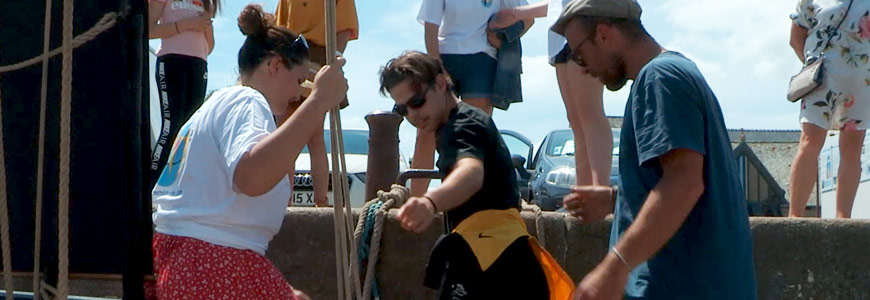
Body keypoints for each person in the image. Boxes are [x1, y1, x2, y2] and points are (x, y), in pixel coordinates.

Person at [551, 0, 758, 299]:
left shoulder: (659, 79)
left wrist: (614, 269)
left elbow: (684, 183)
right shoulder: (675, 72)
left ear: (605, 35)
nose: (583, 68)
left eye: (579, 54)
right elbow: (685, 183)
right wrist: (617, 200)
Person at [150, 4, 347, 298]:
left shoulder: (215, 106)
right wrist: (317, 101)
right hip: (213, 263)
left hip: (186, 260)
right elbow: (251, 177)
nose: (297, 94)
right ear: (275, 66)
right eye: (297, 81)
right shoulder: (248, 101)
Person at [379, 51, 573, 300]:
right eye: (402, 109)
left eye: (417, 102)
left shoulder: (462, 125)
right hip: (502, 259)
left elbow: (470, 173)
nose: (412, 115)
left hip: (495, 265)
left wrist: (430, 201)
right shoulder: (458, 123)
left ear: (440, 84)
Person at [410, 0, 534, 197]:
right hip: (444, 55)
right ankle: (415, 199)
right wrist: (438, 69)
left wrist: (505, 37)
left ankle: (470, 204)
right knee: (425, 132)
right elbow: (430, 26)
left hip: (482, 60)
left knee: (472, 133)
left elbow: (527, 17)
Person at [489, 0, 612, 188]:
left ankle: (599, 189)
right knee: (576, 120)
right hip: (561, 37)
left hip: (586, 29)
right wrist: (517, 13)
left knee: (590, 114)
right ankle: (584, 190)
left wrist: (516, 13)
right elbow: (558, 4)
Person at [788, 0, 869, 218]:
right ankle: (795, 217)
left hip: (860, 83)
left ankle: (843, 219)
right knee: (809, 141)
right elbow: (795, 38)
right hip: (822, 79)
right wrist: (811, 66)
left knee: (852, 151)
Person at [275, 0, 360, 206]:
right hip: (290, 55)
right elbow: (279, 27)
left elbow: (344, 27)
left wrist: (335, 59)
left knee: (315, 137)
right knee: (285, 134)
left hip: (320, 57)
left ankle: (321, 202)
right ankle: (285, 202)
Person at [148, 0, 220, 187]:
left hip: (198, 65)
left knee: (192, 128)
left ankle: (183, 186)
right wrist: (186, 25)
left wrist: (206, 27)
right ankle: (152, 186)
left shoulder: (206, 3)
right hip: (171, 61)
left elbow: (209, 46)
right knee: (171, 126)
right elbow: (148, 30)